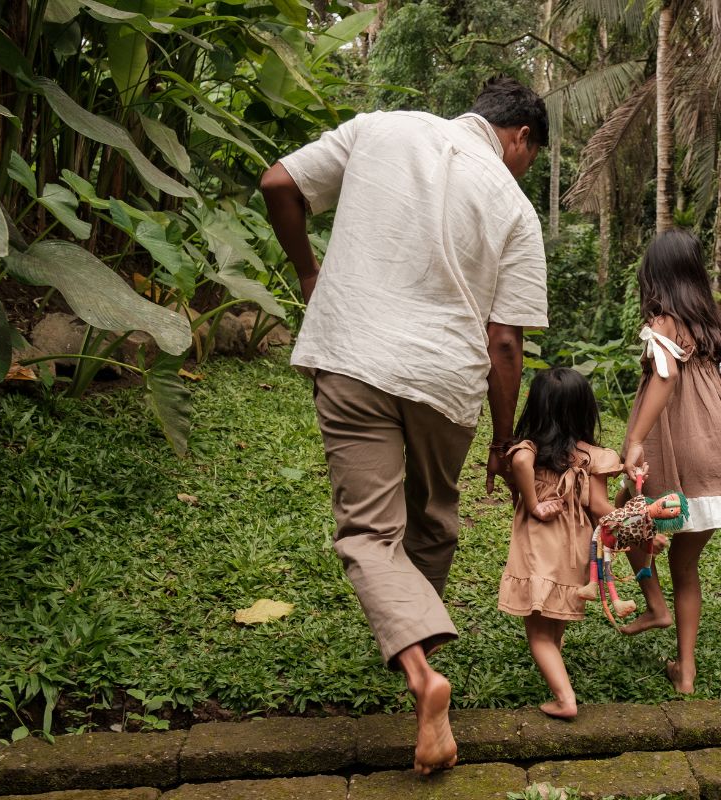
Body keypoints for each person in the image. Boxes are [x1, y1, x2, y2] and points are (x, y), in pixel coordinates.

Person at [259, 77, 549, 774]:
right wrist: (503, 439)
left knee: (368, 533)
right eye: (529, 157)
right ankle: (419, 659)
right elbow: (505, 343)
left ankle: (420, 673)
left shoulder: (381, 128)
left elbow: (278, 184)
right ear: (520, 139)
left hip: (354, 354)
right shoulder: (514, 204)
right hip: (444, 381)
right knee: (434, 523)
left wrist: (307, 272)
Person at [618, 229, 721, 694]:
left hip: (676, 449)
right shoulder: (706, 325)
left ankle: (654, 605)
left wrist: (636, 440)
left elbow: (663, 378)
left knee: (619, 519)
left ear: (655, 277)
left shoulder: (663, 322)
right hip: (716, 452)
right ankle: (685, 672)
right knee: (686, 565)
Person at [497, 367, 623, 719]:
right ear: (584, 409)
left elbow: (519, 459)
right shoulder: (591, 457)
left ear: (536, 408)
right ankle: (555, 659)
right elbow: (599, 508)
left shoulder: (531, 451)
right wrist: (636, 527)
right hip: (575, 549)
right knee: (554, 619)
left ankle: (565, 699)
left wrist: (534, 504)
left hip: (539, 546)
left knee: (537, 633)